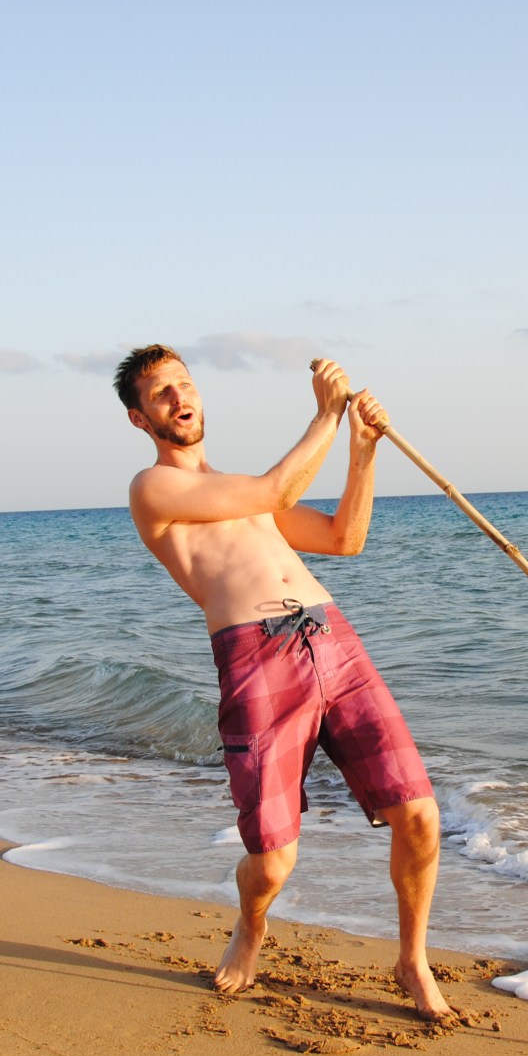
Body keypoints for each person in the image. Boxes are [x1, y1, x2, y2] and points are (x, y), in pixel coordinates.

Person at [115, 344, 451, 1019]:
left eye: (185, 383)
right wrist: (325, 413)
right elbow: (278, 489)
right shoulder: (154, 489)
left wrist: (362, 447)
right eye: (161, 393)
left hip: (333, 640)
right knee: (272, 862)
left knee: (419, 816)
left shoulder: (242, 487)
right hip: (256, 658)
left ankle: (412, 959)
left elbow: (344, 536)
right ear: (139, 417)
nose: (180, 398)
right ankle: (251, 923)